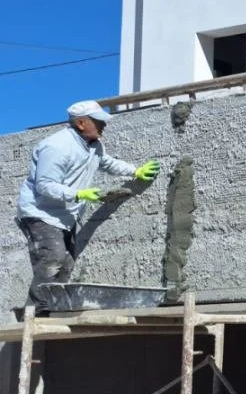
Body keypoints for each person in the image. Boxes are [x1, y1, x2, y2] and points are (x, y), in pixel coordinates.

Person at [14, 101, 160, 307]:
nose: (104, 125)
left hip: (64, 216)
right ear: (81, 123)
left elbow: (107, 163)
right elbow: (45, 186)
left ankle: (53, 307)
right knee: (52, 260)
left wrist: (135, 171)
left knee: (66, 264)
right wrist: (79, 194)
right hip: (40, 213)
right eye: (98, 121)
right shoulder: (57, 147)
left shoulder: (94, 146)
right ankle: (34, 313)